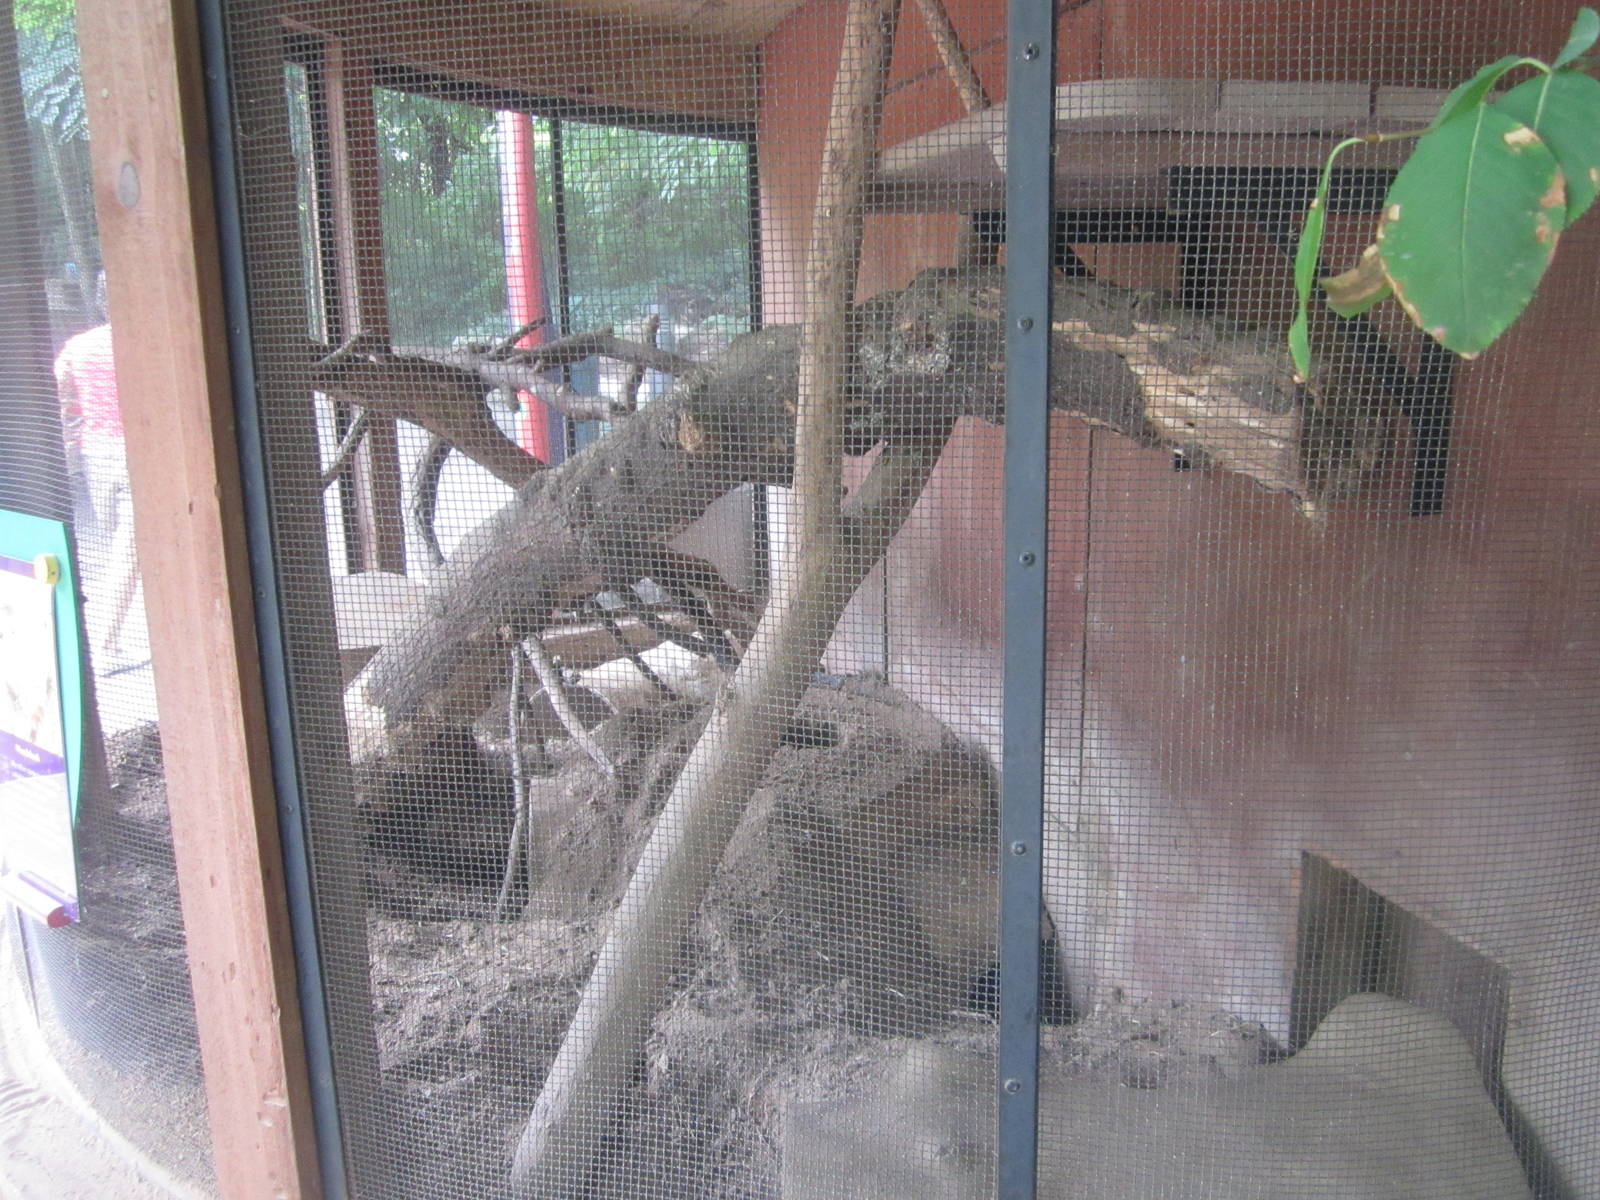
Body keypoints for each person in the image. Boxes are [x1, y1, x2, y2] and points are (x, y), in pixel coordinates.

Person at [54, 313, 139, 664]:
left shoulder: (78, 346)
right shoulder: (139, 344)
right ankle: (105, 644)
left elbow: (57, 388)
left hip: (95, 453)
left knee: (120, 542)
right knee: (129, 551)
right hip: (133, 453)